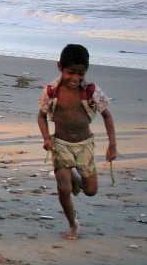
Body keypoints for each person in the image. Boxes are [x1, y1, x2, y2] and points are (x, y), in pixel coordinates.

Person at [37, 44, 117, 240]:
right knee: (64, 189)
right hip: (61, 145)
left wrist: (112, 144)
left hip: (84, 146)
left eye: (80, 73)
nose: (75, 78)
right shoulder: (52, 91)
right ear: (60, 67)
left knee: (90, 191)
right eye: (70, 72)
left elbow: (107, 116)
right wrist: (46, 138)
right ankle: (73, 225)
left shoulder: (90, 91)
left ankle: (74, 173)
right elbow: (41, 116)